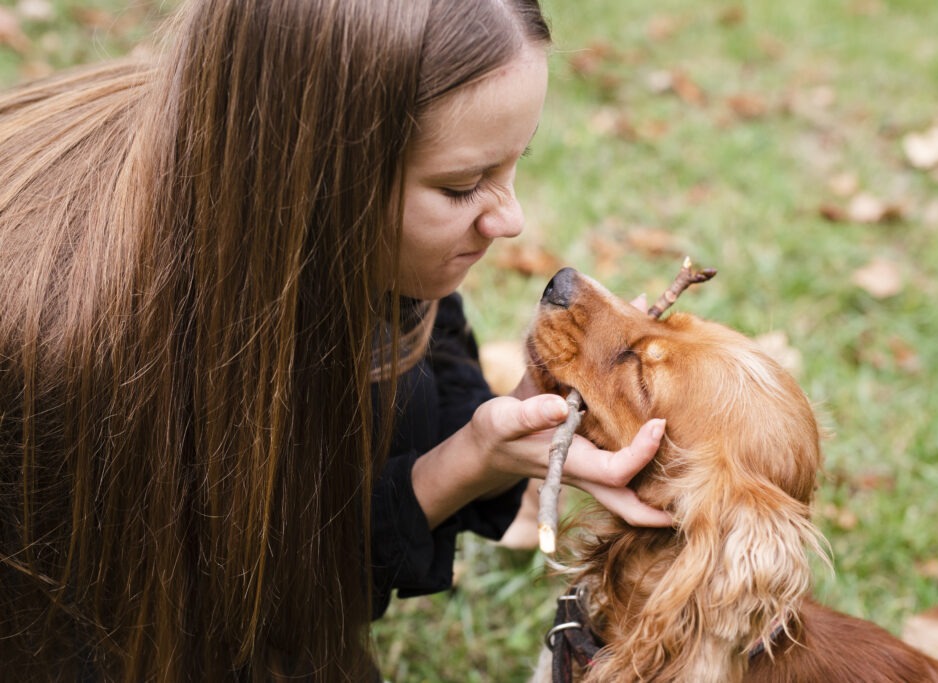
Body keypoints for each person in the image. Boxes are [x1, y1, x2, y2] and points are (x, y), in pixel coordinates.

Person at [0, 0, 670, 679]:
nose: (511, 219)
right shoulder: (87, 356)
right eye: (463, 185)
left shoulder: (315, 219)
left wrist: (495, 433)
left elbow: (421, 361)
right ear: (315, 175)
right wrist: (456, 467)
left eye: (514, 163)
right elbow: (254, 608)